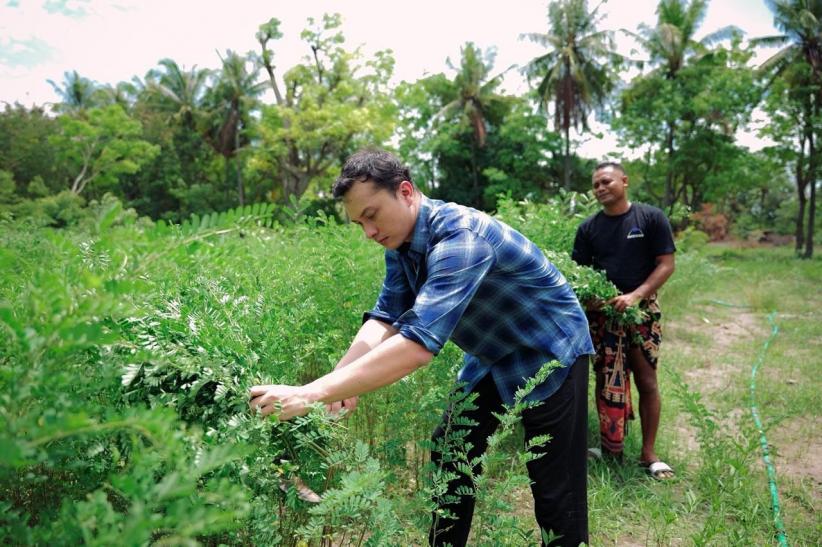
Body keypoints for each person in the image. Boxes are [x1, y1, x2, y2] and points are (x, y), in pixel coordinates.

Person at [249, 149, 594, 546]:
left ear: (406, 192)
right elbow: (386, 318)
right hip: (492, 354)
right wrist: (337, 382)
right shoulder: (401, 245)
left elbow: (417, 346)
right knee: (451, 450)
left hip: (551, 349)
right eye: (359, 222)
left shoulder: (461, 238)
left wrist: (311, 394)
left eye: (373, 215)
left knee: (555, 491)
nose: (369, 232)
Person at [571, 161, 676, 480]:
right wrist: (595, 300)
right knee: (606, 382)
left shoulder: (650, 218)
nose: (600, 188)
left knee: (646, 380)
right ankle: (609, 446)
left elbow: (666, 264)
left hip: (642, 313)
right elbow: (580, 275)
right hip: (604, 318)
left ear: (624, 181)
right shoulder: (589, 228)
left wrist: (636, 295)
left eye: (606, 181)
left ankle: (649, 454)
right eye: (596, 185)